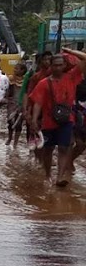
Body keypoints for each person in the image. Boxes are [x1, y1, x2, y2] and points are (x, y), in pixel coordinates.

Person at [27, 49, 83, 187]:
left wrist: (69, 51)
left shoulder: (71, 77)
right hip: (48, 122)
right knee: (48, 150)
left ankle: (60, 177)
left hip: (67, 120)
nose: (58, 68)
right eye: (55, 65)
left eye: (60, 64)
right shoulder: (43, 83)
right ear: (50, 66)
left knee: (64, 148)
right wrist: (34, 120)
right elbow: (38, 103)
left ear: (65, 65)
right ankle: (47, 175)